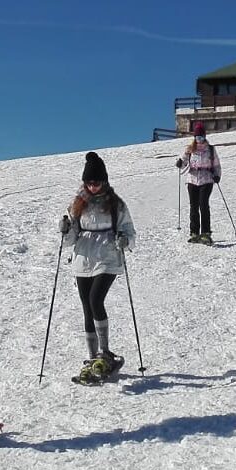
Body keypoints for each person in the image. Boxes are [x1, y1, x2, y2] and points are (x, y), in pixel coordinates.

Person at [59, 152, 137, 383]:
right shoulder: (77, 204)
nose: (93, 187)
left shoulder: (116, 204)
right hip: (83, 257)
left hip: (108, 256)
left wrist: (124, 240)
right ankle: (93, 357)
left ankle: (105, 351)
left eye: (97, 182)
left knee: (95, 300)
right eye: (89, 183)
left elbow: (129, 231)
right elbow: (70, 239)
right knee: (86, 307)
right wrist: (65, 230)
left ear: (104, 181)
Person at [176, 121, 221, 244]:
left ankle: (206, 233)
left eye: (201, 137)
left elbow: (216, 165)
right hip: (192, 180)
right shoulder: (190, 149)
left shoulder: (210, 149)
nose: (199, 139)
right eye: (197, 137)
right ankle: (194, 232)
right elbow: (184, 161)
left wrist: (217, 176)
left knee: (203, 205)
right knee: (193, 206)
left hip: (207, 180)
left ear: (204, 137)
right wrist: (180, 163)